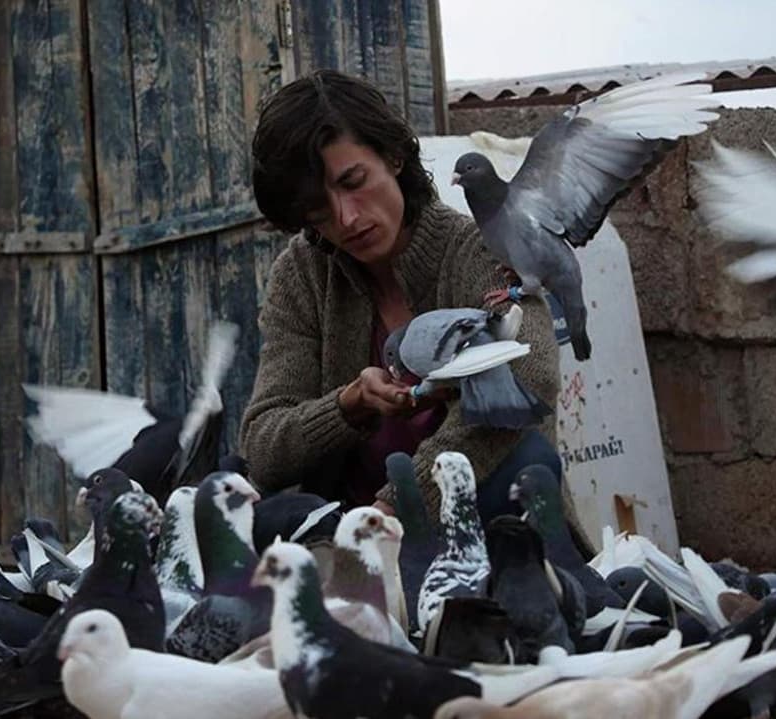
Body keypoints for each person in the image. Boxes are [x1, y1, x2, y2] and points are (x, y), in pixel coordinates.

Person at [238, 69, 573, 533]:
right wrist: (349, 404)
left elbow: (531, 375)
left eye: (354, 181)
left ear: (394, 156)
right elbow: (263, 446)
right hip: (350, 535)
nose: (346, 218)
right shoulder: (302, 274)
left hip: (475, 529)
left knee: (528, 456)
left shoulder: (483, 247)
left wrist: (400, 504)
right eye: (318, 206)